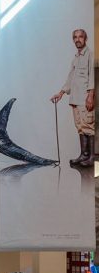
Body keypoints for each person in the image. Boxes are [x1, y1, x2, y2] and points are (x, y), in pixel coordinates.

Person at [51, 28, 95, 168]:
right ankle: (84, 155)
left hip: (85, 99)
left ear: (85, 38)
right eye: (75, 37)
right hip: (75, 99)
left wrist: (91, 96)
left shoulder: (90, 55)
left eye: (80, 37)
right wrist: (61, 93)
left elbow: (92, 76)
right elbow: (71, 78)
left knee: (89, 127)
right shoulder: (76, 57)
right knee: (80, 128)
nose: (77, 39)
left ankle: (92, 157)